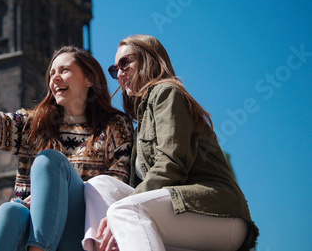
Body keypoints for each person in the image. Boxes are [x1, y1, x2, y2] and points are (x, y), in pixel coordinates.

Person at [0, 31, 133, 251]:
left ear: (89, 79)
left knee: (49, 161)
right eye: (52, 73)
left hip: (83, 231)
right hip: (31, 229)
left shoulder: (114, 125)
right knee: (10, 211)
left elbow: (116, 186)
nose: (55, 78)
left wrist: (49, 199)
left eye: (65, 71)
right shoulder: (33, 125)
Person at [82, 35, 259, 251]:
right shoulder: (140, 128)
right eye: (114, 70)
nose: (119, 73)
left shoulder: (167, 92)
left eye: (125, 63)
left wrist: (118, 211)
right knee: (100, 186)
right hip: (178, 214)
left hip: (218, 213)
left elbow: (171, 165)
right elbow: (132, 188)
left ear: (148, 60)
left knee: (123, 210)